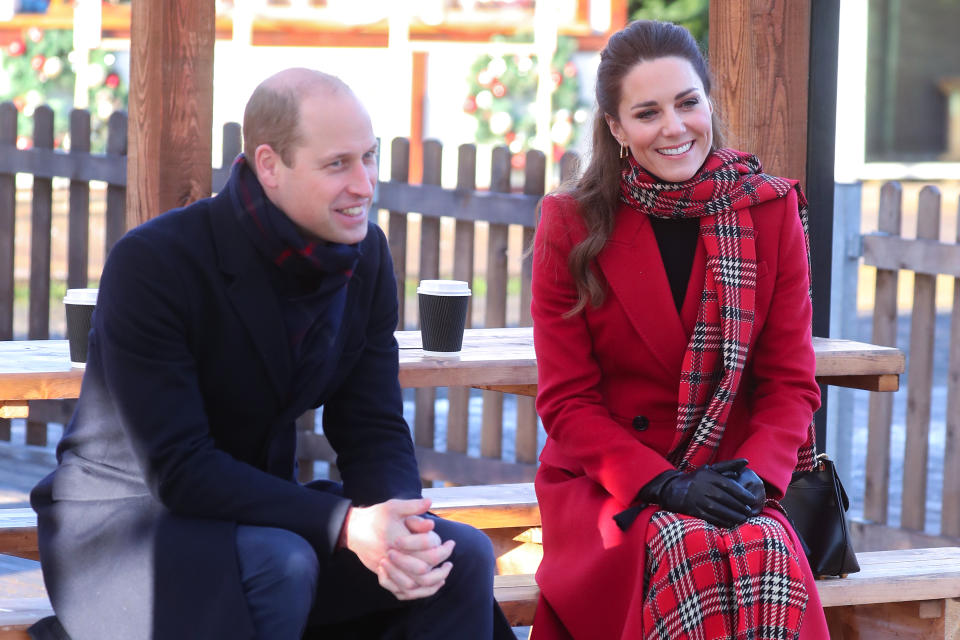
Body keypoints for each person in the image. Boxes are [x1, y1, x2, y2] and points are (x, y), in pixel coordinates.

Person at [30, 68, 512, 640]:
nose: (364, 184)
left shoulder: (367, 257)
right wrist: (344, 525)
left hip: (262, 514)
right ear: (269, 166)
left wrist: (399, 530)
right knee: (283, 562)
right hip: (125, 530)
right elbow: (179, 469)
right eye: (338, 164)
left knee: (457, 559)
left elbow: (373, 424)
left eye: (369, 157)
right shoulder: (155, 263)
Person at [530, 20, 830, 639]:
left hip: (732, 479)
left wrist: (752, 476)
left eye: (688, 103)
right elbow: (567, 403)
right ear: (616, 128)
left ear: (708, 103)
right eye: (647, 112)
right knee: (680, 546)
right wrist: (663, 483)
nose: (673, 127)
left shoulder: (770, 211)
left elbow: (789, 384)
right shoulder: (571, 223)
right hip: (611, 487)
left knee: (766, 552)